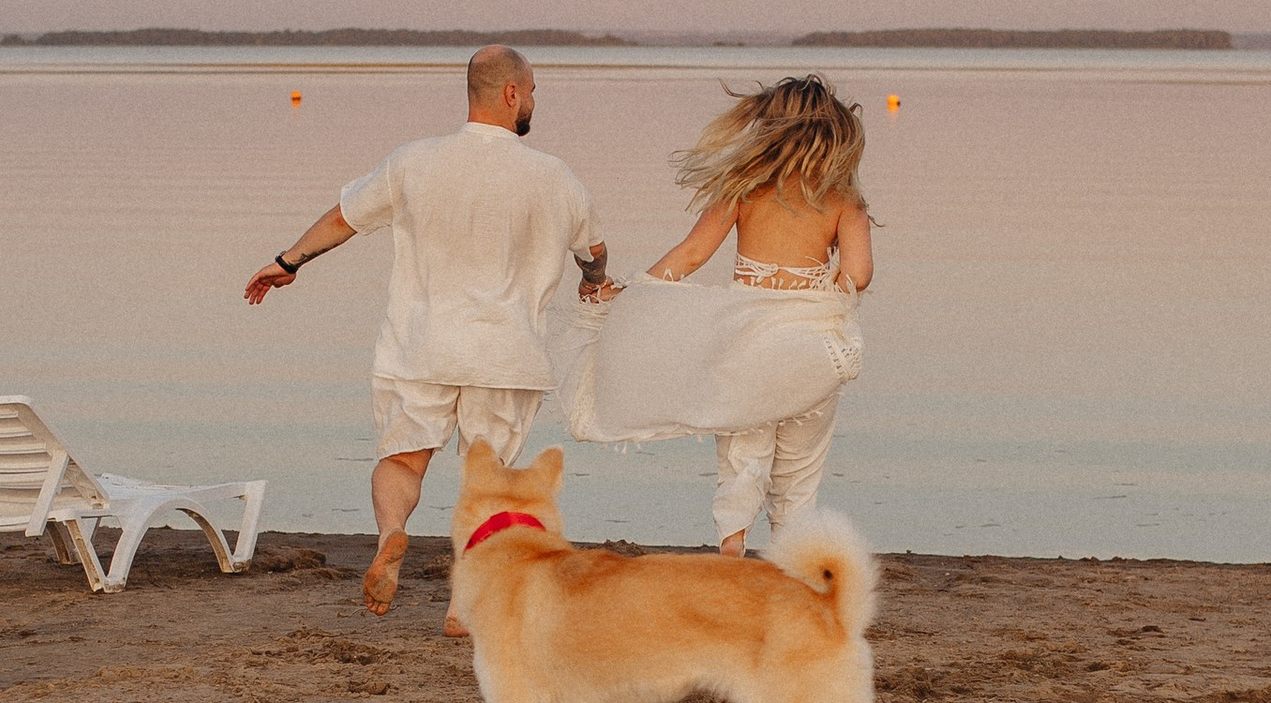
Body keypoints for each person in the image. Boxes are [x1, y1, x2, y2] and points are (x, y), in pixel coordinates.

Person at [244, 44, 611, 613]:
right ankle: (463, 608)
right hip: (507, 355)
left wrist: (288, 262)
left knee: (402, 460)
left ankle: (392, 532)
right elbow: (593, 249)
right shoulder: (553, 175)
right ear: (511, 93)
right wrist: (594, 278)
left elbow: (344, 219)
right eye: (533, 90)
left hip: (421, 347)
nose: (534, 100)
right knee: (488, 479)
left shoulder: (413, 161)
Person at [556, 72, 873, 554]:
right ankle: (790, 563)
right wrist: (823, 290)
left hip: (745, 346)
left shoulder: (744, 189)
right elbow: (859, 274)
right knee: (799, 471)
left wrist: (633, 292)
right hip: (807, 349)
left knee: (743, 455)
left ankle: (732, 545)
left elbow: (690, 255)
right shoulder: (844, 201)